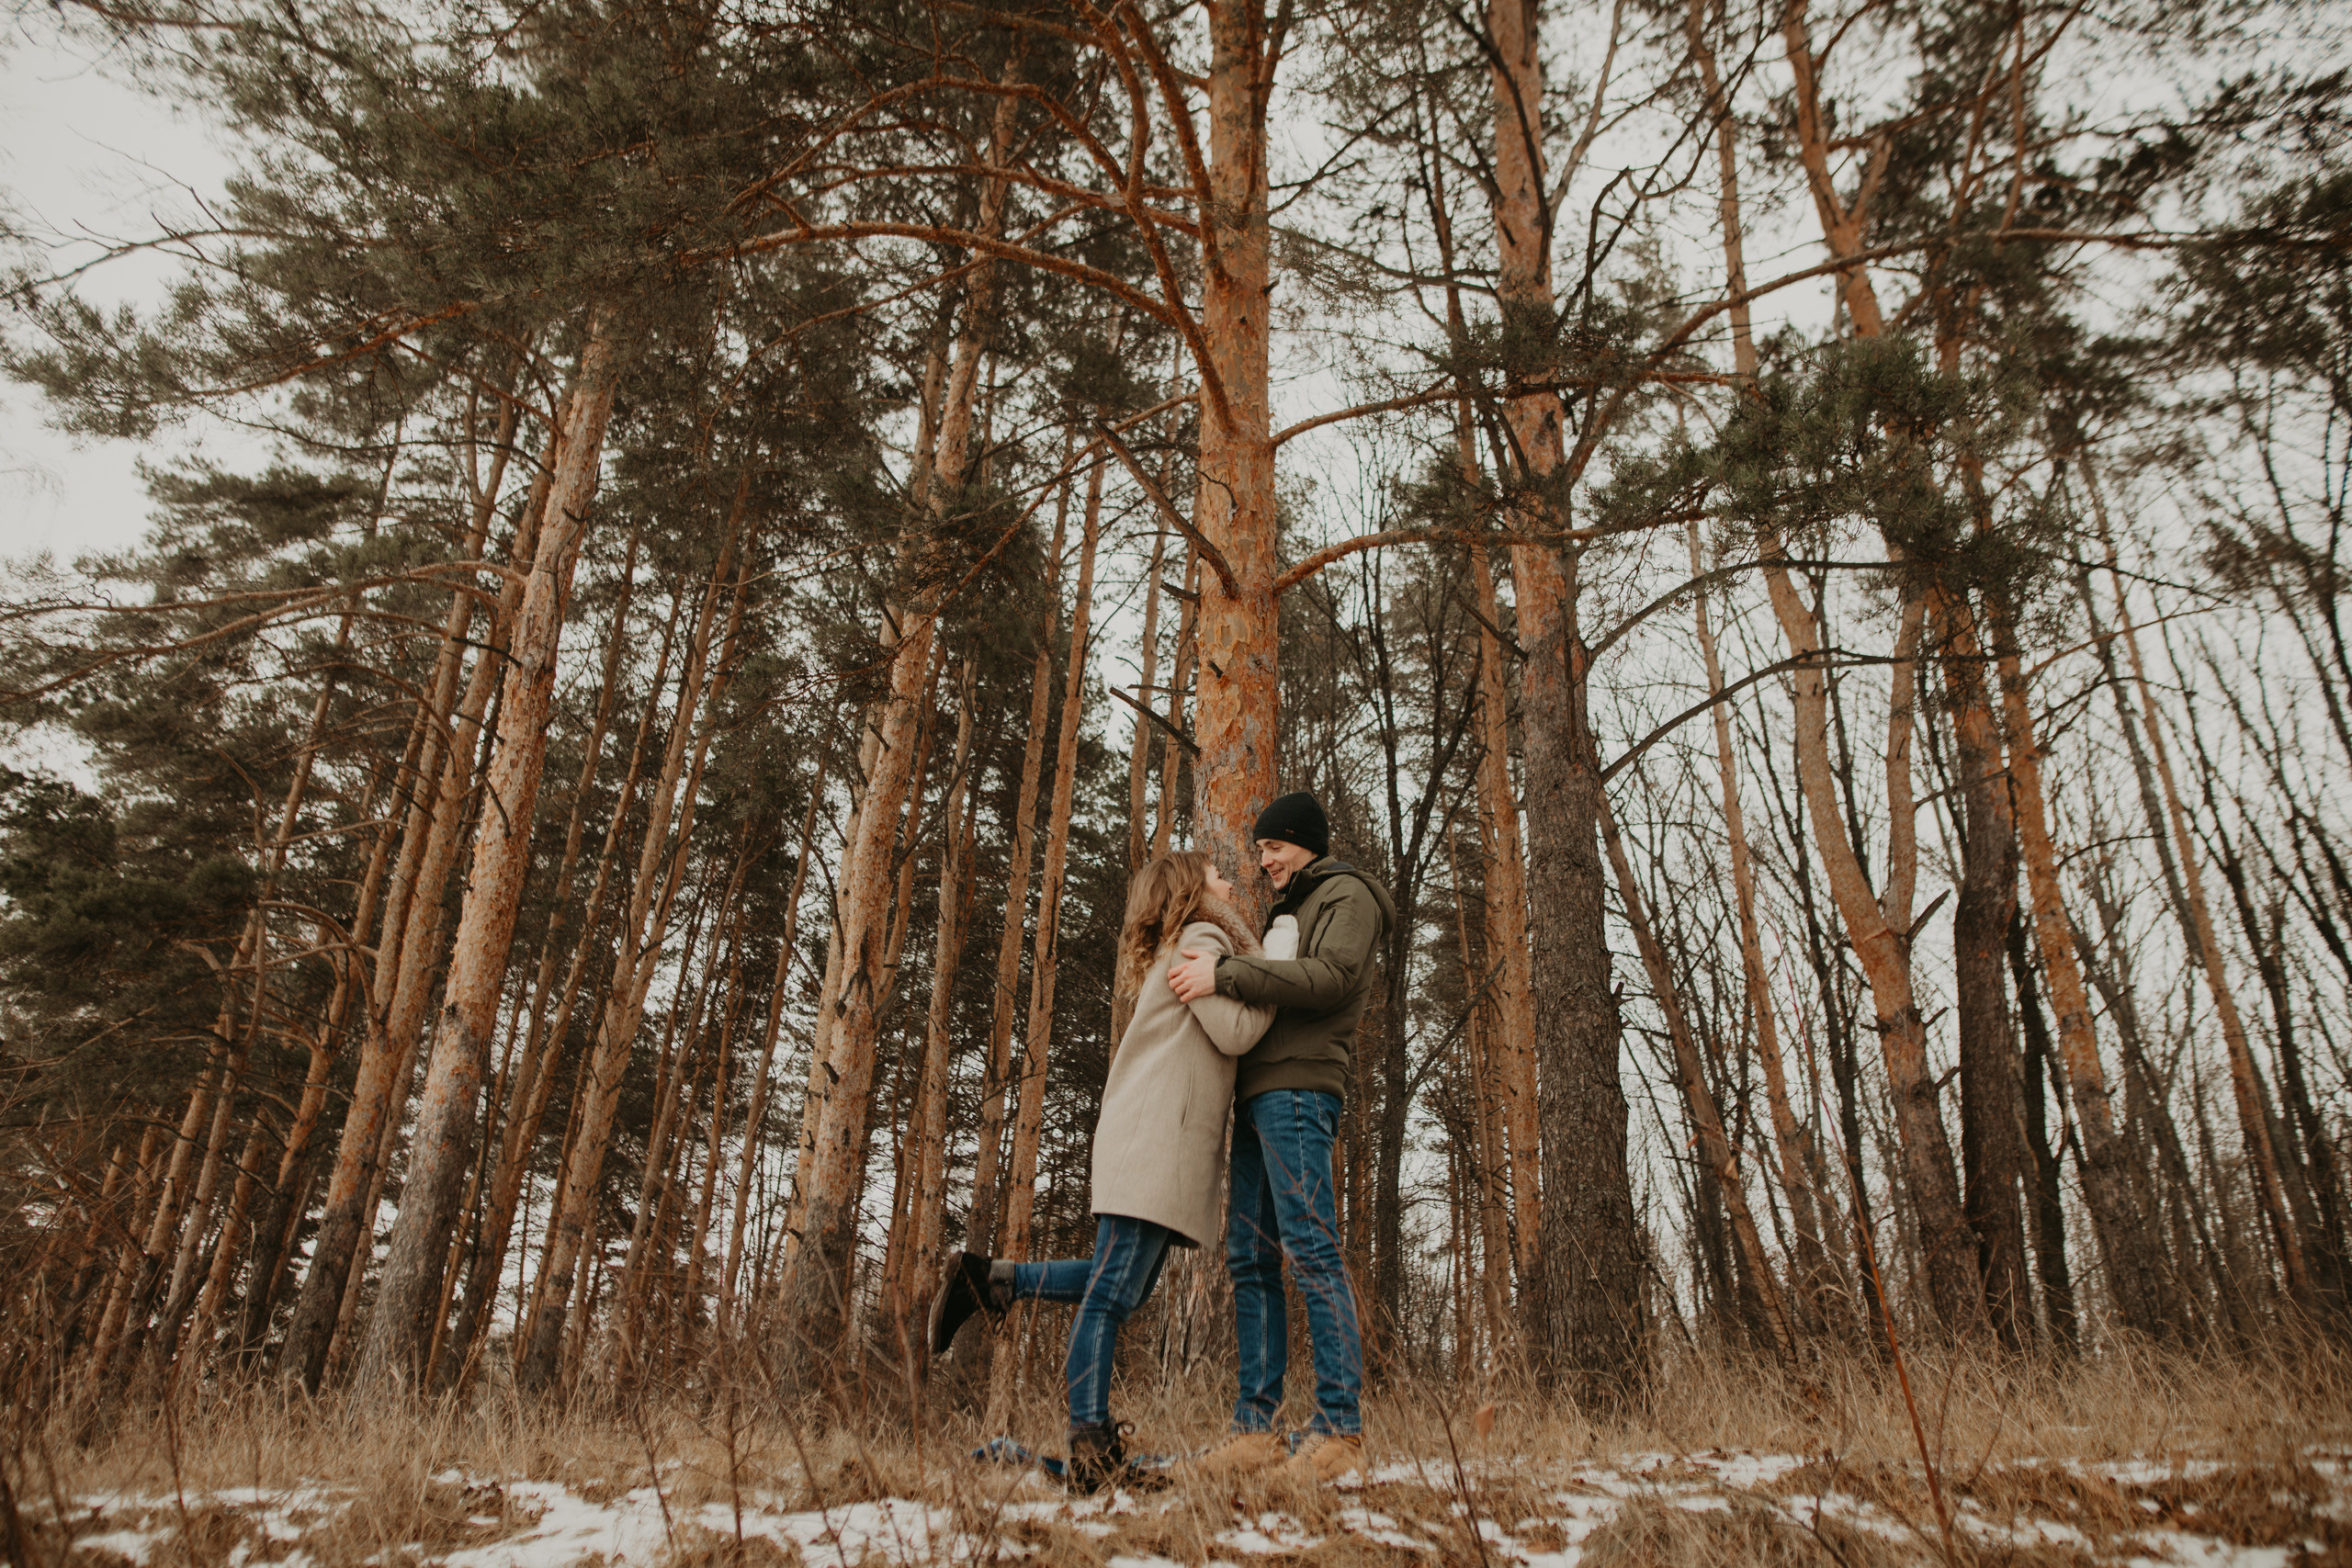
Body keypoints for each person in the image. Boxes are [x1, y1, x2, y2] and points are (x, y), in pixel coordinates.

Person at [928, 850, 1272, 1492]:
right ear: (1196, 889)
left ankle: (994, 1280)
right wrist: (1273, 973)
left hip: (1149, 1137)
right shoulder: (1202, 937)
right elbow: (1237, 1032)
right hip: (1154, 1140)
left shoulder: (1184, 939)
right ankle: (1089, 1444)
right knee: (1114, 1294)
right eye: (1218, 874)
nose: (1231, 881)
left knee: (1124, 1287)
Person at [1167, 791, 1395, 1488]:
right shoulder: (1292, 903)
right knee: (1251, 1258)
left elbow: (1328, 979)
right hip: (1258, 1091)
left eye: (1274, 846)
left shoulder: (1347, 895)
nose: (1263, 859)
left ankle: (1338, 1428)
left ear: (1305, 841)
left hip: (1298, 1090)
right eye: (1261, 849)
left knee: (1311, 1248)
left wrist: (1224, 973)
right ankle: (1255, 1429)